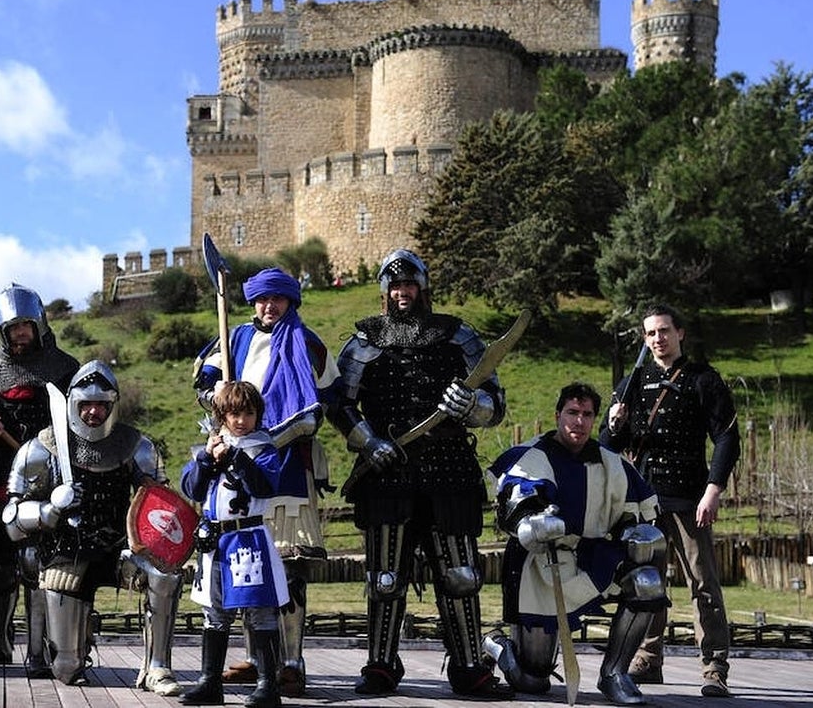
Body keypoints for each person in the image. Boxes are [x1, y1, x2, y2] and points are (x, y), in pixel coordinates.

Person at [328, 248, 512, 698]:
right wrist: (369, 442)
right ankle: (381, 665)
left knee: (460, 575)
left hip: (449, 470)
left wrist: (471, 405)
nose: (402, 292)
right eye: (395, 286)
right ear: (385, 291)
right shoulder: (364, 341)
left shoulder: (458, 336)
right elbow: (339, 405)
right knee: (384, 578)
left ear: (422, 288)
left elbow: (495, 404)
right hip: (387, 472)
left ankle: (469, 667)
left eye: (409, 284)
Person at [193, 267, 339, 698]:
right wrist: (219, 398)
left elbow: (326, 401)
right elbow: (203, 385)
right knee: (240, 561)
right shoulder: (234, 338)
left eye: (277, 298)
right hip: (233, 461)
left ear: (291, 301)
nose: (269, 306)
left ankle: (290, 662)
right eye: (262, 299)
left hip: (287, 463)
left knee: (287, 565)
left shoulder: (307, 343)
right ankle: (257, 661)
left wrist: (264, 440)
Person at [2, 360, 184, 693]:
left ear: (113, 405)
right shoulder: (40, 448)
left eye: (101, 405)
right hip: (67, 551)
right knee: (67, 668)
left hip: (120, 547)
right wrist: (48, 510)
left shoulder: (137, 446)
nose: (93, 412)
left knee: (164, 575)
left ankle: (158, 668)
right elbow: (12, 519)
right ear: (74, 404)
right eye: (86, 404)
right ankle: (74, 648)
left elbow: (160, 504)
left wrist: (161, 542)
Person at [484, 382, 668, 706]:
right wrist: (534, 523)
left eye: (587, 414)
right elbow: (513, 511)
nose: (579, 421)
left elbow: (632, 517)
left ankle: (614, 674)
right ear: (558, 415)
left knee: (646, 581)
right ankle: (495, 643)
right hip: (539, 566)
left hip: (591, 556)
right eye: (572, 412)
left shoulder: (612, 463)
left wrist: (636, 534)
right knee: (532, 681)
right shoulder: (531, 456)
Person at [600, 303, 741, 698]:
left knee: (703, 583)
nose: (658, 338)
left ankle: (714, 667)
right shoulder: (631, 383)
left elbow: (727, 438)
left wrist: (713, 490)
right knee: (648, 583)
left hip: (690, 498)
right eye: (651, 333)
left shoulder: (704, 380)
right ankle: (648, 658)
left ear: (680, 333)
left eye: (664, 330)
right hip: (644, 500)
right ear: (644, 339)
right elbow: (607, 446)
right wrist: (614, 424)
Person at [0, 283, 79, 677]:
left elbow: (81, 424)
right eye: (12, 328)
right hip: (1, 482)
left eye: (25, 326)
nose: (20, 334)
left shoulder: (66, 368)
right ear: (3, 331)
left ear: (38, 324)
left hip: (49, 485)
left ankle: (41, 651)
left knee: (39, 567)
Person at [180, 381, 289, 708]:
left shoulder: (263, 449)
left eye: (248, 413)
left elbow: (264, 487)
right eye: (234, 414)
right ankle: (210, 682)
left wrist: (236, 458)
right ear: (222, 416)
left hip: (248, 540)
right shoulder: (212, 446)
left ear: (258, 415)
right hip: (216, 543)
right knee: (215, 613)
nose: (241, 421)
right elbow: (193, 490)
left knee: (260, 612)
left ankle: (268, 685)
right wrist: (206, 459)